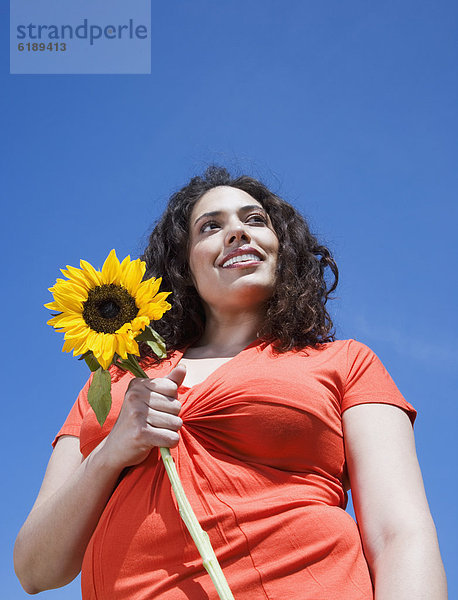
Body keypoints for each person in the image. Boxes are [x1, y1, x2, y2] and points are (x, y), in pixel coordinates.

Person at [14, 166, 447, 599]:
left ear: (282, 247)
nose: (238, 232)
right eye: (211, 226)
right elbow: (36, 570)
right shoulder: (114, 379)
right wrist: (112, 451)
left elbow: (399, 535)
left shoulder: (347, 362)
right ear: (184, 265)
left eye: (255, 220)